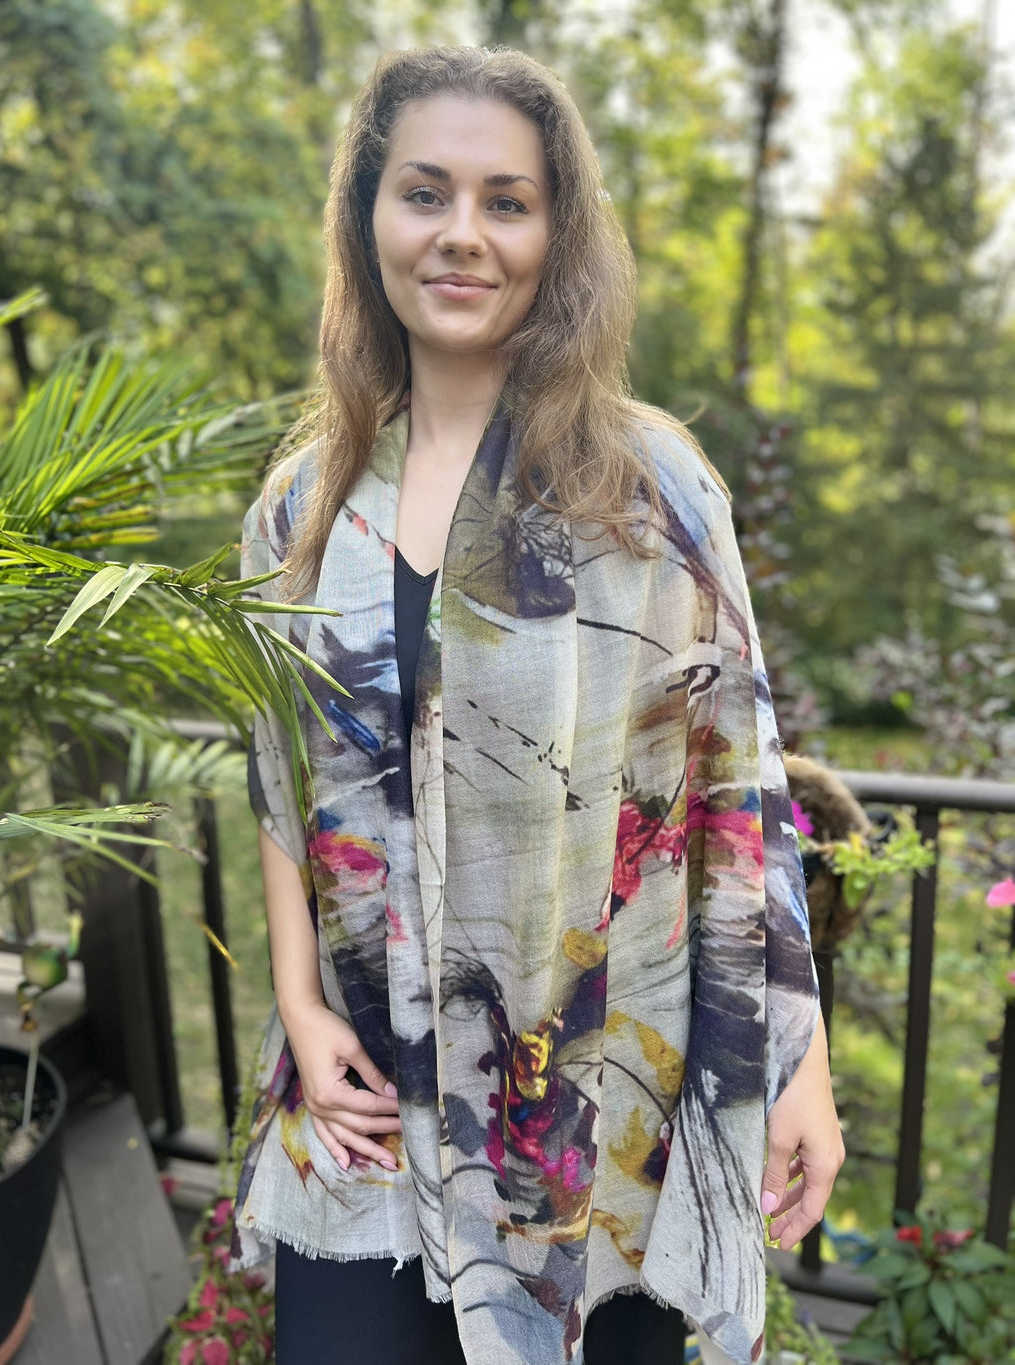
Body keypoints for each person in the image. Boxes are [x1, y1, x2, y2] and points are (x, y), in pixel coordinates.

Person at [234, 44, 844, 1365]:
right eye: (425, 192)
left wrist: (796, 1067)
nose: (463, 233)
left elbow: (737, 794)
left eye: (506, 201)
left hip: (588, 1118)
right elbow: (282, 782)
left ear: (555, 236)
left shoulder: (648, 490)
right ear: (367, 217)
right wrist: (300, 1004)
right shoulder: (302, 511)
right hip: (366, 1106)